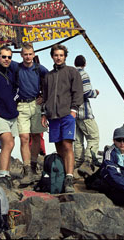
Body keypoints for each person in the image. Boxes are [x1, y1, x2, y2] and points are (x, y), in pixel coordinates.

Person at [41, 44, 83, 193]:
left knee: (67, 145)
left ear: (65, 56)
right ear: (52, 56)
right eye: (56, 55)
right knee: (59, 147)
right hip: (52, 116)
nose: (58, 57)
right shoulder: (48, 75)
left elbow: (78, 92)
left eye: (61, 55)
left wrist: (73, 110)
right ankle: (61, 176)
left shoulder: (72, 72)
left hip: (67, 114)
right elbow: (45, 96)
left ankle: (69, 178)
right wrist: (44, 113)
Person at [14, 42, 49, 186]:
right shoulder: (17, 67)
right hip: (21, 104)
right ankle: (27, 169)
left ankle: (33, 167)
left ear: (33, 55)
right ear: (21, 55)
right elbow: (0, 57)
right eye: (25, 54)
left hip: (36, 104)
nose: (28, 57)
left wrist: (45, 96)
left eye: (30, 54)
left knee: (35, 136)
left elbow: (51, 81)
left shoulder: (39, 68)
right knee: (24, 137)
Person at [0, 45, 19, 189]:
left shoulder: (12, 73)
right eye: (4, 57)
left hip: (12, 114)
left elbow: (16, 90)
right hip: (0, 115)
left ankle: (5, 174)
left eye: (9, 57)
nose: (7, 59)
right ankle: (2, 175)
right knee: (8, 143)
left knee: (10, 144)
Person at [73, 55, 100, 173]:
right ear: (84, 64)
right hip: (84, 111)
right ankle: (88, 161)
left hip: (73, 112)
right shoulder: (83, 74)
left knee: (78, 140)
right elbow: (87, 92)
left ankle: (77, 162)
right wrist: (96, 93)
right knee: (94, 136)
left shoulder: (71, 74)